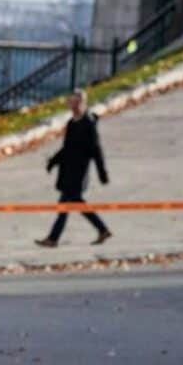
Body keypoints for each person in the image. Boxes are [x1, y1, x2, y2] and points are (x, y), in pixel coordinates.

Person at [35, 89, 112, 248]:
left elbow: (96, 150)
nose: (75, 105)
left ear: (84, 104)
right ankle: (102, 230)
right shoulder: (71, 124)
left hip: (79, 172)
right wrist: (53, 161)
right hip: (68, 170)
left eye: (78, 102)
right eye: (73, 101)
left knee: (64, 205)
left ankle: (53, 238)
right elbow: (67, 148)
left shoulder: (88, 124)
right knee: (77, 203)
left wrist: (102, 172)